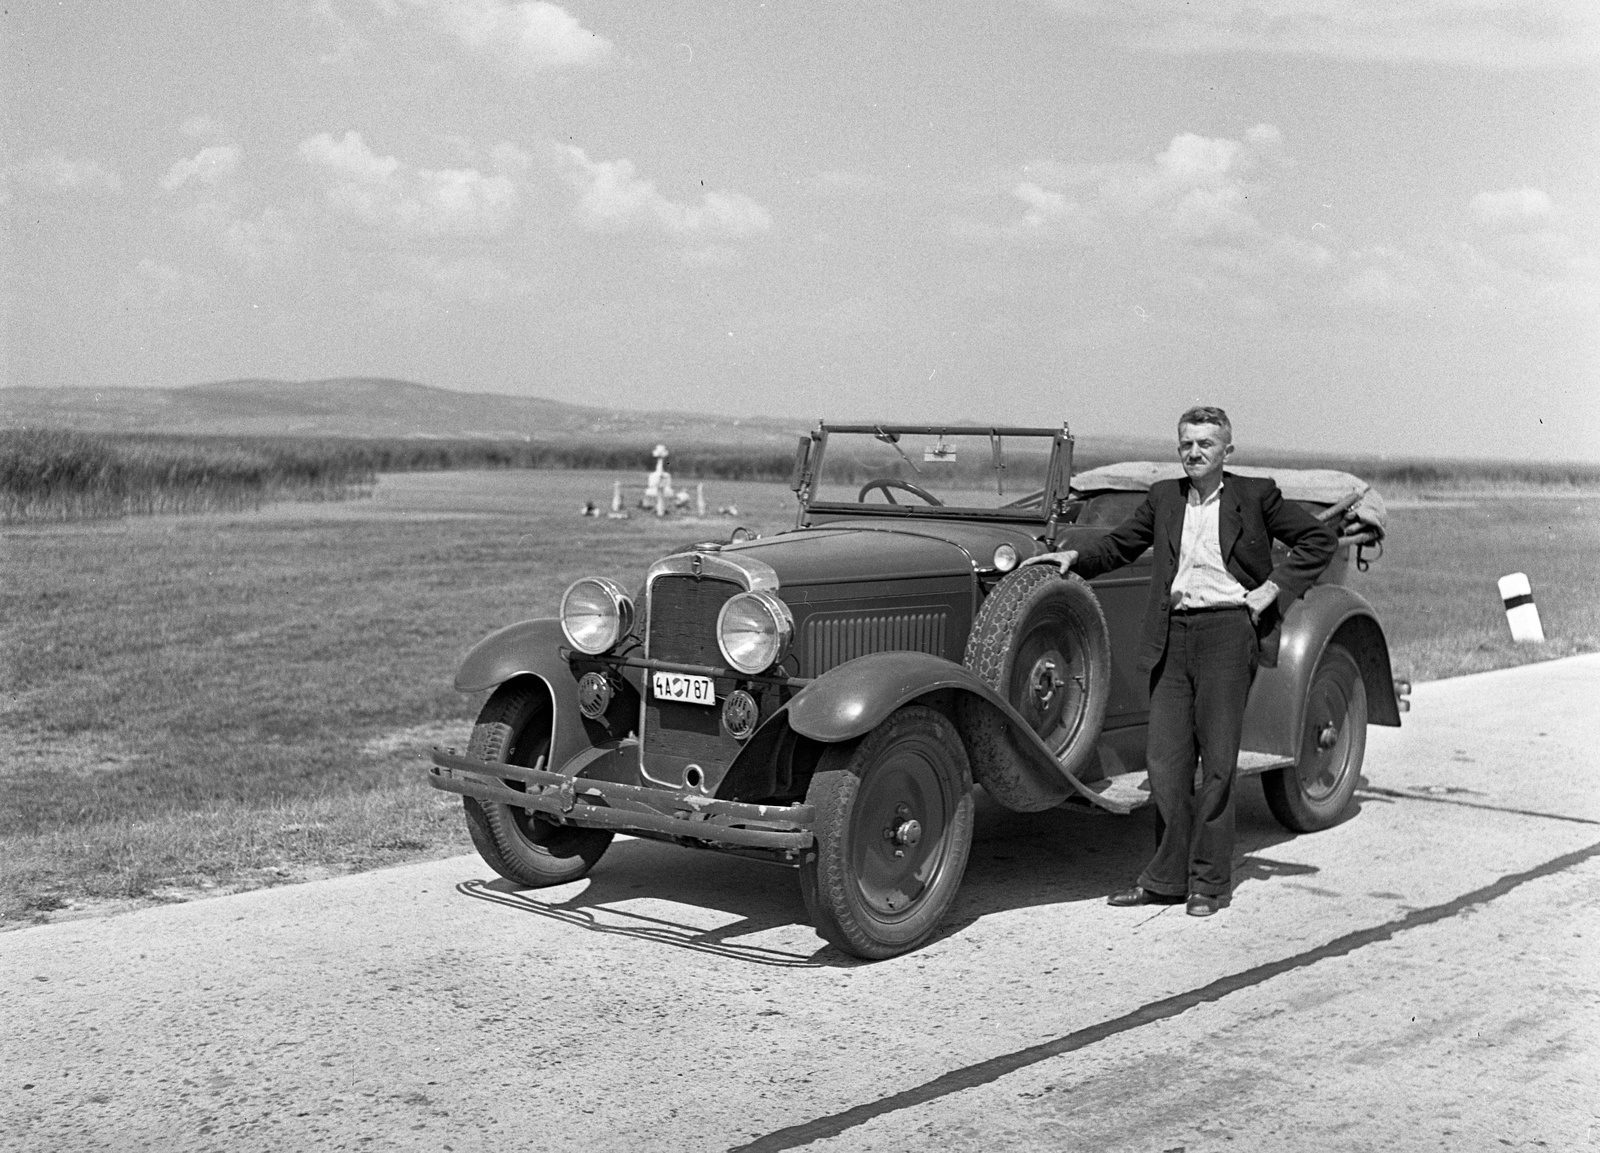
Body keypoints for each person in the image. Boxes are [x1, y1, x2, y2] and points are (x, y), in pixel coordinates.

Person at [1024, 406, 1337, 916]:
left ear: (1227, 450)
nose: (1194, 453)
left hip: (1228, 634)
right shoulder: (1164, 497)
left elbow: (1318, 540)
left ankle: (1209, 884)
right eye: (1186, 444)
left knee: (1218, 764)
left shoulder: (1255, 495)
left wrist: (1274, 589)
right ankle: (1166, 879)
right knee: (1166, 764)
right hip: (1173, 636)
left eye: (1205, 444)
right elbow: (1122, 545)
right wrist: (1075, 559)